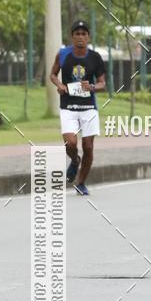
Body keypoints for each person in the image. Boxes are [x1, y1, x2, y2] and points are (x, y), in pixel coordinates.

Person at [50, 20, 106, 195]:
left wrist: (91, 87)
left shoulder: (95, 57)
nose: (80, 37)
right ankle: (75, 160)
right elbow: (52, 74)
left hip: (89, 107)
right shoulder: (63, 54)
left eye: (83, 34)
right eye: (77, 34)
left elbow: (102, 83)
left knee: (88, 146)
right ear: (72, 37)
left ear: (88, 37)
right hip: (68, 106)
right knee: (71, 143)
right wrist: (59, 85)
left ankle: (81, 183)